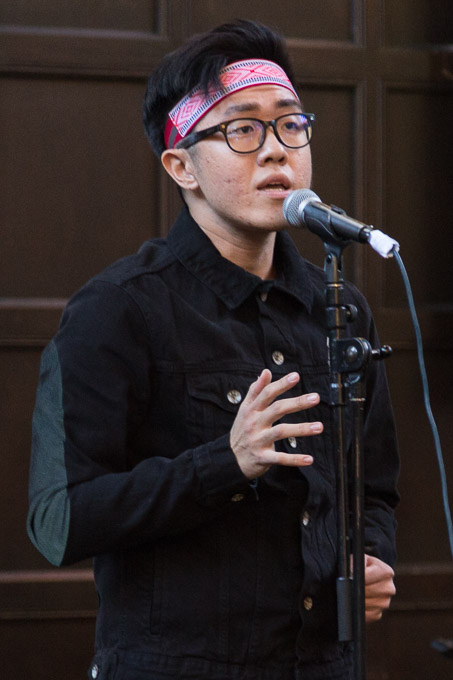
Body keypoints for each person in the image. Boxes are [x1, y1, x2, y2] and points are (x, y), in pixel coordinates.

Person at [27, 19, 399, 680]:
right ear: (181, 165)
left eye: (291, 124)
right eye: (242, 129)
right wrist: (225, 464)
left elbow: (373, 489)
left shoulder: (340, 307)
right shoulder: (117, 309)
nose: (277, 151)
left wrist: (370, 557)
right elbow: (59, 520)